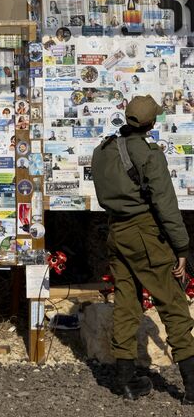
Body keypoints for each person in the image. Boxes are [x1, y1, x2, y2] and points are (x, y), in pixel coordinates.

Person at [91, 94, 194, 403]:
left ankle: (124, 380)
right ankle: (191, 387)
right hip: (145, 233)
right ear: (151, 123)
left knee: (126, 301)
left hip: (116, 231)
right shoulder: (149, 154)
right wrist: (182, 246)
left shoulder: (103, 150)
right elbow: (165, 205)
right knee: (172, 302)